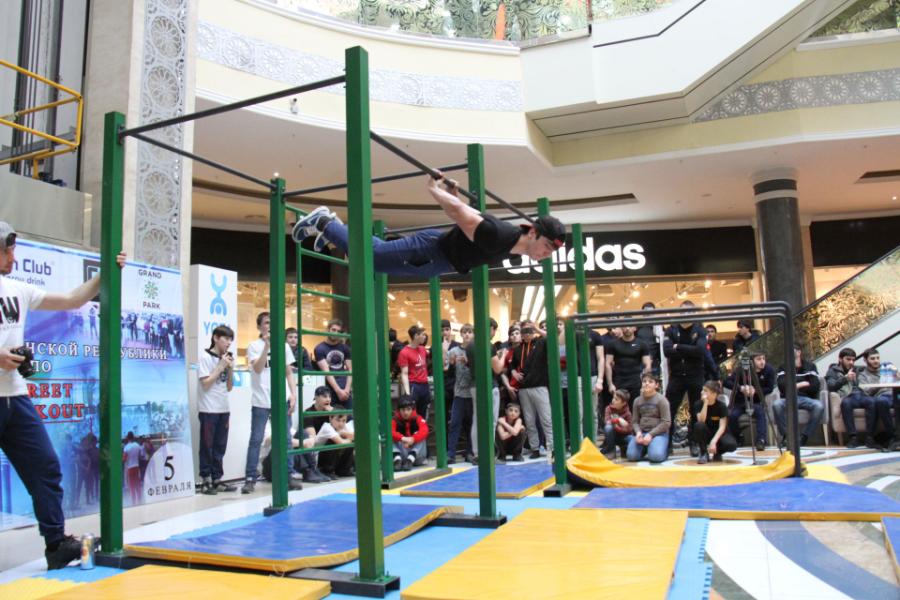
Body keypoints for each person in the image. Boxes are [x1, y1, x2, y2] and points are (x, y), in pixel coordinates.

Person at [0, 222, 125, 569]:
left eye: (12, 249)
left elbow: (73, 300)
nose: (12, 256)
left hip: (15, 397)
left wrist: (105, 271)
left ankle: (56, 544)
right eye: (6, 250)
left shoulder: (17, 289)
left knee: (46, 467)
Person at [291, 176, 566, 278]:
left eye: (550, 253)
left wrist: (453, 197)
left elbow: (471, 215)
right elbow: (459, 213)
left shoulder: (513, 245)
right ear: (532, 232)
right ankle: (324, 222)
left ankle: (336, 230)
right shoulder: (500, 236)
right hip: (431, 251)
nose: (545, 254)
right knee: (371, 257)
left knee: (374, 257)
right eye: (545, 247)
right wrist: (434, 190)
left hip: (437, 259)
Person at [242, 311, 302, 494]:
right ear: (259, 326)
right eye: (266, 322)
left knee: (286, 439)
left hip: (281, 399)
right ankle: (250, 478)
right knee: (256, 439)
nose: (270, 326)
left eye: (272, 323)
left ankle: (288, 475)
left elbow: (288, 372)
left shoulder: (284, 346)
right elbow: (257, 368)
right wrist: (267, 346)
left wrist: (293, 394)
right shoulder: (254, 346)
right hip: (261, 400)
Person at [663, 301, 708, 456]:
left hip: (696, 375)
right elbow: (667, 351)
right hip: (676, 376)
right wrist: (689, 350)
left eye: (689, 311)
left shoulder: (700, 329)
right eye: (683, 311)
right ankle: (667, 443)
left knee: (696, 410)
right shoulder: (671, 329)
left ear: (694, 313)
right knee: (670, 409)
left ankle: (694, 443)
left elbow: (700, 350)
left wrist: (679, 347)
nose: (686, 314)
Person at [197, 325, 237, 495]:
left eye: (230, 340)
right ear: (215, 338)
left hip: (223, 408)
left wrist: (230, 368)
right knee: (207, 445)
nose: (228, 343)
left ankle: (217, 479)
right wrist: (220, 366)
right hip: (208, 409)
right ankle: (205, 480)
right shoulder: (205, 357)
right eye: (226, 339)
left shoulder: (225, 359)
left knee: (220, 446)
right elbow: (205, 384)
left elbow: (229, 387)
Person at [512, 324, 553, 459]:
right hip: (524, 387)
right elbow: (512, 365)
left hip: (540, 385)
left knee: (546, 419)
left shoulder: (541, 342)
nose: (527, 333)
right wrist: (514, 373)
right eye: (524, 331)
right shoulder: (517, 349)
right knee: (529, 421)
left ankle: (552, 448)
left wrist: (536, 329)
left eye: (529, 330)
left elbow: (551, 337)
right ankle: (534, 448)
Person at [826, 347, 881, 449]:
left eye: (853, 360)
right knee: (846, 404)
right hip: (847, 396)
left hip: (861, 394)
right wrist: (845, 378)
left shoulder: (858, 369)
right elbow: (831, 386)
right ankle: (853, 437)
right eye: (848, 359)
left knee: (872, 402)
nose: (851, 362)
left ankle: (870, 437)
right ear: (840, 359)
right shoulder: (832, 371)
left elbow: (873, 367)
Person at [774, 344, 823, 447]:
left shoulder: (810, 366)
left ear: (799, 352)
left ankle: (804, 436)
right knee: (776, 405)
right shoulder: (783, 367)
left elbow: (815, 386)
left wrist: (793, 386)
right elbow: (782, 387)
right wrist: (803, 383)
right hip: (788, 398)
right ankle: (786, 436)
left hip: (806, 398)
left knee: (819, 406)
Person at [726, 351, 775, 451]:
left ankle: (761, 440)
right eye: (759, 359)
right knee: (732, 415)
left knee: (760, 413)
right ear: (752, 361)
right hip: (740, 401)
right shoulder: (743, 369)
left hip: (756, 401)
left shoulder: (769, 370)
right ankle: (738, 437)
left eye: (763, 359)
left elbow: (770, 388)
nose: (762, 362)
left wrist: (756, 391)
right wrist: (741, 388)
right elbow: (726, 382)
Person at [447, 324, 475, 464]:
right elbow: (446, 370)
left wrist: (468, 361)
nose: (467, 335)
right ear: (461, 334)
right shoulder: (453, 351)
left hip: (473, 393)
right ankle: (451, 454)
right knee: (454, 423)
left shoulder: (475, 349)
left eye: (469, 332)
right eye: (464, 332)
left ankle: (470, 452)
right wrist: (451, 364)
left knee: (471, 424)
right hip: (458, 393)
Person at [626, 374, 671, 463]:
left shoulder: (662, 400)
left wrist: (651, 435)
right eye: (644, 381)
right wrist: (638, 432)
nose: (647, 383)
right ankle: (644, 448)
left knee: (656, 457)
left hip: (658, 434)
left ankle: (662, 449)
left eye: (650, 382)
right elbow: (635, 422)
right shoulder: (637, 401)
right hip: (642, 433)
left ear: (656, 385)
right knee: (631, 456)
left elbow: (666, 422)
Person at [605, 326, 651, 407]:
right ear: (621, 328)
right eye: (625, 326)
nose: (627, 328)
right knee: (619, 409)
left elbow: (647, 365)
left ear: (635, 328)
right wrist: (610, 384)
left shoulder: (642, 344)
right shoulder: (613, 344)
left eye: (630, 326)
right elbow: (607, 364)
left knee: (635, 408)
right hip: (619, 382)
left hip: (636, 383)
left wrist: (644, 385)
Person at [856, 348, 894, 446]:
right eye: (872, 359)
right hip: (882, 397)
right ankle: (892, 436)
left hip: (895, 394)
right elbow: (866, 392)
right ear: (865, 360)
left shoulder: (887, 369)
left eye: (877, 358)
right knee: (881, 401)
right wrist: (880, 383)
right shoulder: (863, 375)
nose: (876, 361)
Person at [693, 380, 737, 464]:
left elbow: (722, 427)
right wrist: (705, 404)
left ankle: (718, 452)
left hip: (718, 433)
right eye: (702, 390)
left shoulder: (721, 406)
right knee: (699, 425)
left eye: (705, 390)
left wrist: (714, 442)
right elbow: (701, 421)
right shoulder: (698, 404)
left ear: (714, 394)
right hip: (705, 432)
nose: (702, 392)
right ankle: (703, 453)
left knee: (731, 445)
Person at [314, 319, 353, 410]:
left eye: (338, 331)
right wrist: (338, 391)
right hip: (330, 390)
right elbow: (326, 371)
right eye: (333, 330)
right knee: (333, 416)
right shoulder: (319, 348)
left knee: (350, 416)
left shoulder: (345, 348)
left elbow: (350, 369)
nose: (336, 333)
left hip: (345, 388)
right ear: (328, 329)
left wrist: (347, 389)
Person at [397, 325, 431, 420]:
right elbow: (404, 373)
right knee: (412, 414)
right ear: (416, 336)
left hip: (424, 385)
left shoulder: (423, 349)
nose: (424, 337)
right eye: (422, 335)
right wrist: (408, 393)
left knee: (424, 414)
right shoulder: (404, 352)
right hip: (414, 385)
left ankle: (422, 429)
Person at [392, 395, 429, 471]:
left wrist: (413, 439)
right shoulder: (394, 420)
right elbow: (390, 431)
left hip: (417, 457)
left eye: (408, 409)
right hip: (401, 454)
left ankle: (410, 459)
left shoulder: (418, 418)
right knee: (388, 435)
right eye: (403, 410)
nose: (406, 412)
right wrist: (403, 438)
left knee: (421, 436)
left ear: (412, 409)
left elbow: (425, 430)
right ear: (399, 410)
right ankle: (397, 459)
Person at [316, 413, 355, 478]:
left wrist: (345, 434)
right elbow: (341, 442)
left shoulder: (345, 426)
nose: (341, 424)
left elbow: (355, 436)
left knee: (349, 442)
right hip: (318, 460)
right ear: (330, 418)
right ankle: (326, 470)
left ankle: (343, 470)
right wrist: (349, 437)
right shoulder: (327, 427)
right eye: (338, 420)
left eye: (344, 420)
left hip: (334, 459)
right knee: (334, 441)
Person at [602, 389, 633, 459]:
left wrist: (616, 427)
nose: (613, 400)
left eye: (616, 399)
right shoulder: (608, 409)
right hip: (612, 436)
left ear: (624, 403)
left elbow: (629, 429)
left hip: (624, 436)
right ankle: (611, 451)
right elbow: (607, 422)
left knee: (632, 440)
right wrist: (618, 420)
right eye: (613, 398)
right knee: (608, 427)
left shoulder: (628, 413)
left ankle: (624, 449)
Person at [122, 431, 143, 506]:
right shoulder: (137, 445)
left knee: (132, 486)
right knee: (138, 485)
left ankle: (134, 502)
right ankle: (140, 501)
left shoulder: (126, 447)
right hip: (137, 467)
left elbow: (124, 459)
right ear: (133, 437)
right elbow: (140, 456)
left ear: (127, 438)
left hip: (130, 468)